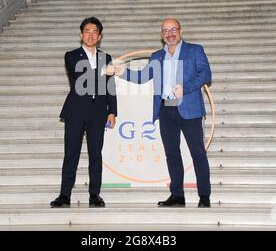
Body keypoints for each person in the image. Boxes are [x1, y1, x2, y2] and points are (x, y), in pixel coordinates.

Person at [112, 18, 212, 208]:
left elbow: (206, 74)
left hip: (189, 110)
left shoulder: (195, 50)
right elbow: (142, 77)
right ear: (161, 35)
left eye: (173, 29)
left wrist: (186, 87)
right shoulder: (157, 56)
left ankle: (204, 196)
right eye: (166, 31)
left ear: (180, 31)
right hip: (166, 110)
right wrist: (122, 72)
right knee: (172, 154)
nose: (170, 33)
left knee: (198, 153)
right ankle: (177, 196)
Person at [50, 17, 117, 208]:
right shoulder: (71, 56)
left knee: (96, 154)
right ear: (81, 35)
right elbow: (82, 79)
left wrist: (112, 111)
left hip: (98, 112)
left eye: (94, 32)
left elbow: (110, 87)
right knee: (71, 153)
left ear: (100, 36)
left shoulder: (106, 57)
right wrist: (105, 71)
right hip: (76, 111)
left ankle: (95, 195)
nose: (90, 35)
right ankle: (64, 195)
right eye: (87, 31)